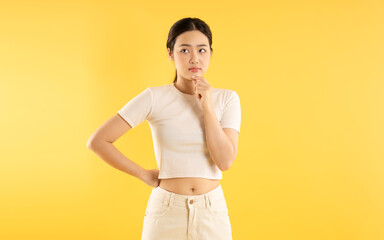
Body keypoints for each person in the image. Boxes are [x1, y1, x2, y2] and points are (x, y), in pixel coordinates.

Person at [87, 17, 241, 240]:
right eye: (184, 50)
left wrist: (207, 105)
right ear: (170, 53)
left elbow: (225, 161)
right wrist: (142, 174)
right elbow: (98, 141)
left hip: (212, 212)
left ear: (210, 53)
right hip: (166, 212)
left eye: (202, 50)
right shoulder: (155, 97)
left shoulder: (227, 99)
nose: (194, 58)